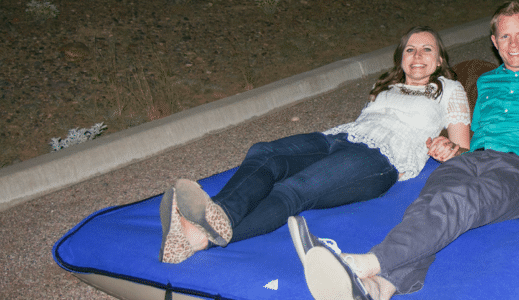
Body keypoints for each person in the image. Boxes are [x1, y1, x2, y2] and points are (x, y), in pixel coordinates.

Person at [289, 1, 519, 300]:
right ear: (494, 42)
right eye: (504, 36)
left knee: (459, 200)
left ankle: (361, 264)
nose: (513, 44)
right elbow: (473, 143)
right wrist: (452, 150)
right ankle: (377, 293)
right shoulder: (488, 83)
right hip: (475, 160)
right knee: (430, 203)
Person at [159, 26, 471, 264]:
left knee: (294, 190)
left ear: (439, 59)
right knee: (266, 153)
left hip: (379, 159)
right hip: (338, 138)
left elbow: (463, 150)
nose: (417, 56)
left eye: (426, 49)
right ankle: (219, 215)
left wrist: (451, 150)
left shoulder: (449, 88)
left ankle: (198, 236)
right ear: (400, 57)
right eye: (410, 50)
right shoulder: (384, 85)